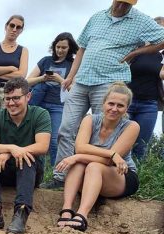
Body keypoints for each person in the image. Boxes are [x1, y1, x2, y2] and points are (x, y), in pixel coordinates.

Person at [41, 0, 164, 190]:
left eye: (127, 3)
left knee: (105, 135)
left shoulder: (140, 20)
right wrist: (71, 76)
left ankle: (98, 177)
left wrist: (136, 53)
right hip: (82, 80)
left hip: (110, 82)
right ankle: (61, 177)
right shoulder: (97, 17)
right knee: (66, 129)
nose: (122, 6)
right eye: (120, 1)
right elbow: (82, 48)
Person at [56, 82, 139, 232]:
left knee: (89, 164)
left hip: (120, 175)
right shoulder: (90, 119)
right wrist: (112, 153)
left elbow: (108, 162)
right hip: (90, 174)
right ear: (103, 103)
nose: (114, 109)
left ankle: (82, 215)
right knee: (80, 163)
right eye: (111, 103)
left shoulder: (131, 126)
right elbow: (80, 147)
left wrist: (78, 156)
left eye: (120, 106)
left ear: (126, 108)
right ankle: (66, 209)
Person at [0, 77, 51, 234]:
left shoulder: (40, 114)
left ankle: (21, 214)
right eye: (7, 99)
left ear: (28, 97)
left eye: (16, 98)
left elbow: (42, 146)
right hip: (3, 171)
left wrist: (9, 154)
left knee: (28, 157)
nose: (11, 103)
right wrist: (12, 149)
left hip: (30, 171)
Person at [27, 32, 79, 166]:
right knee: (33, 137)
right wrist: (42, 78)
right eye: (58, 47)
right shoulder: (45, 60)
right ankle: (36, 168)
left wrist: (60, 79)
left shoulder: (73, 64)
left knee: (55, 139)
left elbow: (75, 90)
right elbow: (27, 82)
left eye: (64, 48)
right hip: (38, 102)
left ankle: (56, 171)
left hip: (58, 105)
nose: (60, 50)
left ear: (70, 49)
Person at [127, 42, 164, 160]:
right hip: (127, 102)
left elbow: (162, 75)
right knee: (120, 140)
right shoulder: (134, 53)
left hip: (149, 105)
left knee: (141, 145)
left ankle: (136, 176)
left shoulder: (161, 56)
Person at [0, 15, 29, 115]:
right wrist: (10, 68)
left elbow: (21, 75)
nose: (14, 29)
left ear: (21, 30)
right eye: (12, 25)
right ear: (6, 26)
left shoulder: (23, 50)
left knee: (10, 124)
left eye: (18, 27)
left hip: (12, 92)